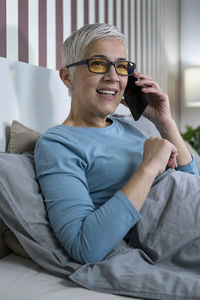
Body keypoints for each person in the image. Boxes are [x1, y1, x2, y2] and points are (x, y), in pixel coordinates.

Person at [34, 23, 199, 265]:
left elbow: (191, 182)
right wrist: (149, 167)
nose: (113, 77)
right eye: (98, 64)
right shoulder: (58, 143)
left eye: (121, 66)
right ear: (67, 76)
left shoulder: (134, 125)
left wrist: (165, 122)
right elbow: (85, 246)